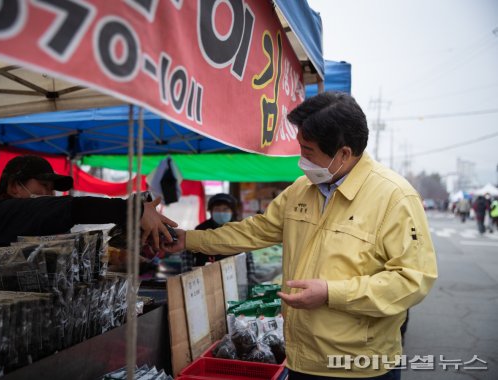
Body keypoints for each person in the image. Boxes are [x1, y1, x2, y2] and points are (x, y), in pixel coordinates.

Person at [162, 92, 438, 379]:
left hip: (359, 365)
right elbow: (256, 230)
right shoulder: (300, 190)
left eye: (308, 151)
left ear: (343, 153)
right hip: (300, 359)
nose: (301, 160)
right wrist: (191, 240)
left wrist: (332, 293)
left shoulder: (395, 198)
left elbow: (412, 280)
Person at [0, 155, 177, 290]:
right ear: (15, 186)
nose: (50, 194)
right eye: (44, 186)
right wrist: (131, 210)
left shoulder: (19, 219)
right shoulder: (4, 210)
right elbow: (73, 208)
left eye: (53, 189)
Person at [180, 193, 257, 283]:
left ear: (232, 211)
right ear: (211, 211)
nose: (221, 213)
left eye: (225, 209)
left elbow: (248, 254)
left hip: (235, 278)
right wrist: (188, 274)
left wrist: (251, 275)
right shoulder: (201, 229)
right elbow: (187, 252)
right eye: (217, 209)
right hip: (206, 279)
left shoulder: (239, 229)